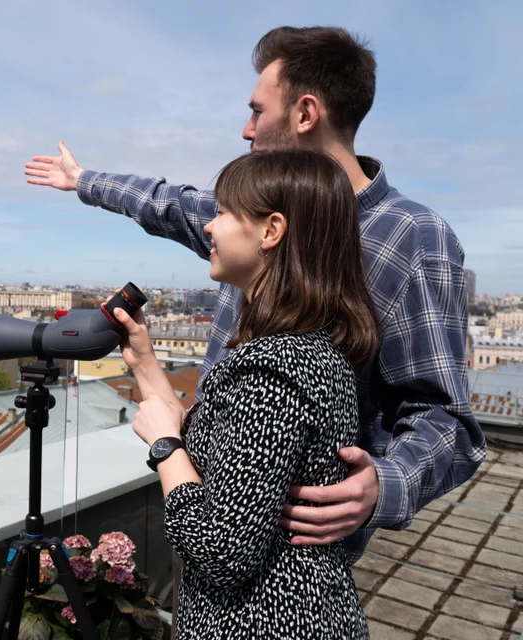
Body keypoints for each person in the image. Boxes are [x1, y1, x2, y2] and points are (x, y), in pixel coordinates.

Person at [24, 26, 486, 562]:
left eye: (257, 110)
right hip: (205, 506)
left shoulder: (411, 238)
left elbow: (444, 417)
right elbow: (171, 203)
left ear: (305, 114)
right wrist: (84, 180)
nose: (246, 130)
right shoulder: (257, 220)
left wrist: (385, 484)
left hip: (287, 557)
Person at [116, 148, 373, 637]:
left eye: (224, 212)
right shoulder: (309, 348)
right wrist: (146, 363)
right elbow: (226, 457)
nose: (209, 228)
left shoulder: (273, 370)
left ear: (271, 231)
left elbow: (220, 552)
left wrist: (164, 449)